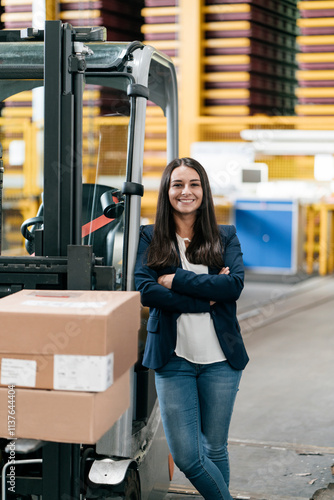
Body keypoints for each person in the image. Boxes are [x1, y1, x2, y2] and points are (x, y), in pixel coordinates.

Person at [134, 157, 249, 500]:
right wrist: (204, 295)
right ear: (167, 191)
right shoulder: (149, 236)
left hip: (222, 360)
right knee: (187, 455)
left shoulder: (225, 236)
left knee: (214, 448)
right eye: (178, 184)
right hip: (173, 358)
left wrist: (176, 280)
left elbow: (234, 287)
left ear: (204, 190)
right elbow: (145, 289)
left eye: (194, 184)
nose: (186, 191)